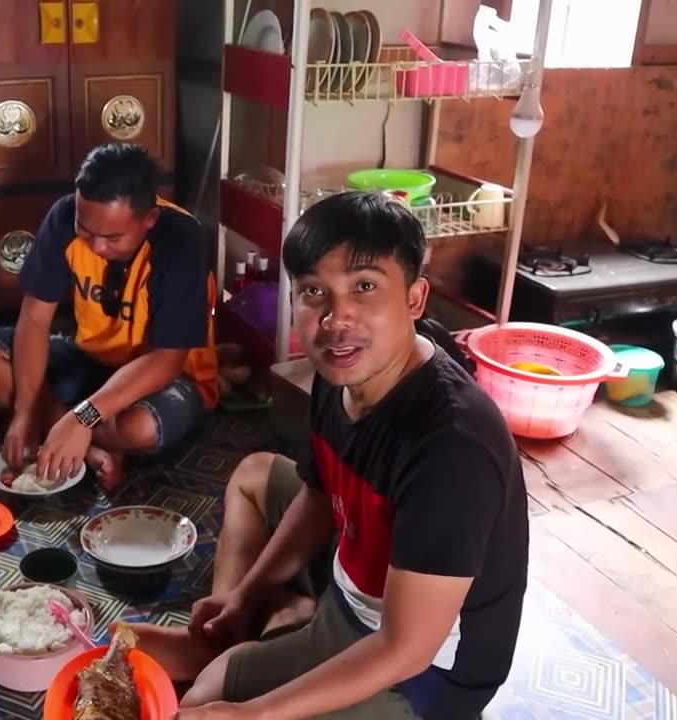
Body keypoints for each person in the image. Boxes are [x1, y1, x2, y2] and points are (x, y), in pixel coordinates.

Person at [130, 193, 529, 719]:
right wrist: (247, 595)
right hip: (356, 588)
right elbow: (323, 497)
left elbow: (405, 648)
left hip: (424, 671)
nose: (337, 318)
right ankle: (254, 622)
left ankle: (282, 626)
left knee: (209, 701)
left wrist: (255, 715)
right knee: (254, 476)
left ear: (414, 299)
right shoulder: (339, 373)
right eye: (315, 291)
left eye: (365, 287)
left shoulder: (452, 448)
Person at [0, 143, 219, 490]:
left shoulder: (181, 239)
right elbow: (35, 320)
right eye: (86, 231)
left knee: (140, 428)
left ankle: (67, 429)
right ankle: (84, 442)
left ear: (149, 219)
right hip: (89, 361)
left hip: (162, 379)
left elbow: (167, 361)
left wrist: (83, 416)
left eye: (113, 237)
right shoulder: (63, 216)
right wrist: (24, 409)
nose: (97, 247)